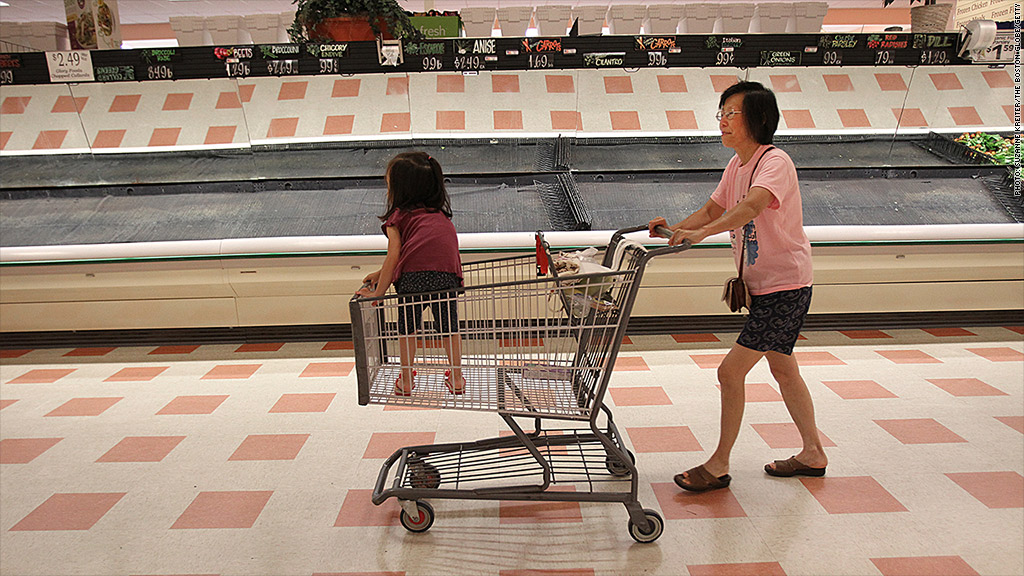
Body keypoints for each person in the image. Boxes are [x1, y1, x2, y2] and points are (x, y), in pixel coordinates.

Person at [648, 81, 827, 492]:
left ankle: (719, 464)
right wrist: (677, 230)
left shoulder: (774, 162)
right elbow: (713, 208)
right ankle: (813, 453)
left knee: (730, 372)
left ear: (759, 119)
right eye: (722, 113)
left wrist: (702, 234)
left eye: (732, 113)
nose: (723, 121)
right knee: (783, 368)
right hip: (765, 286)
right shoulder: (737, 166)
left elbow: (750, 207)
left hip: (786, 287)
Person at [356, 152, 465, 397]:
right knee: (449, 328)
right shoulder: (440, 217)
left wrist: (379, 292)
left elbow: (395, 255)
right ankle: (456, 378)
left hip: (413, 280)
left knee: (407, 329)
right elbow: (423, 252)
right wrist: (379, 274)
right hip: (445, 278)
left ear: (401, 189)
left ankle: (406, 380)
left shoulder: (398, 218)